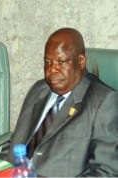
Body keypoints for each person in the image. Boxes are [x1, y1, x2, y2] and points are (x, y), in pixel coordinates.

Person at [7, 28, 118, 176]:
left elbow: (107, 172)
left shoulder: (104, 101)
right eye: (47, 62)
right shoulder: (38, 90)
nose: (52, 69)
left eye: (61, 62)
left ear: (81, 61)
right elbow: (15, 141)